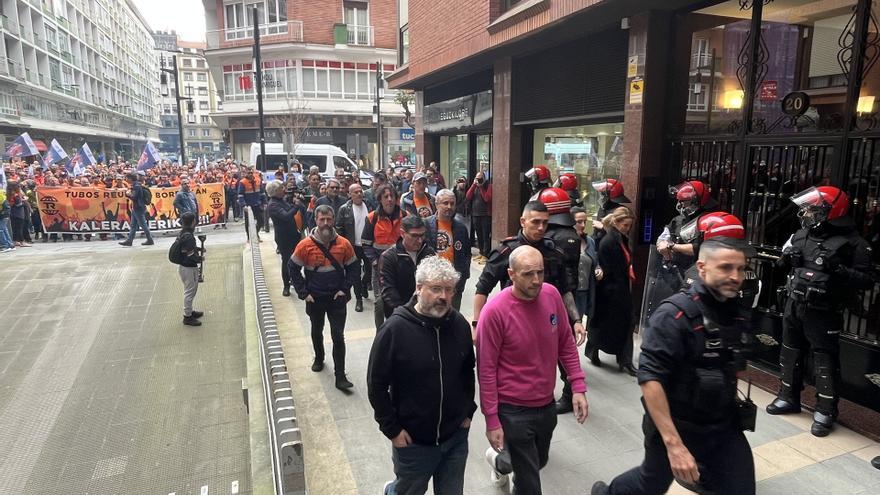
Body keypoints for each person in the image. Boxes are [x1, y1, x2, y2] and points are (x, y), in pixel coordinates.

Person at [592, 238, 756, 495]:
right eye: (725, 268)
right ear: (702, 268)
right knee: (651, 484)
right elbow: (650, 379)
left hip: (723, 426)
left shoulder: (733, 312)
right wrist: (674, 445)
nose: (735, 276)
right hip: (678, 425)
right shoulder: (674, 314)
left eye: (740, 269)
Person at [477, 245, 589, 493]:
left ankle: (500, 462)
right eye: (528, 274)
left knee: (539, 461)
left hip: (545, 405)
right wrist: (492, 419)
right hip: (512, 410)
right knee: (529, 484)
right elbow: (485, 370)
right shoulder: (494, 312)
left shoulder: (551, 296)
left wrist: (578, 385)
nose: (537, 280)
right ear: (511, 274)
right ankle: (510, 465)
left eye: (540, 272)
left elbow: (566, 344)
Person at [765, 186, 872, 437]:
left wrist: (840, 270)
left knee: (824, 360)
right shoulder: (801, 235)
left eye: (813, 209)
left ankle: (825, 409)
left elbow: (867, 281)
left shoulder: (855, 243)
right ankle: (788, 396)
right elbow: (779, 265)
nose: (807, 213)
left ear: (831, 211)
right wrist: (786, 259)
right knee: (789, 352)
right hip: (794, 303)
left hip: (824, 310)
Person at [367, 256, 475, 495]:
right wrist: (392, 430)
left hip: (455, 437)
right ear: (418, 288)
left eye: (449, 290)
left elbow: (468, 370)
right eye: (436, 289)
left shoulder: (458, 325)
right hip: (414, 442)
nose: (444, 297)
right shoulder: (394, 329)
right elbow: (376, 385)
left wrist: (468, 412)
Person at [473, 201, 585, 349]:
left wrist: (576, 320)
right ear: (523, 222)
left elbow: (564, 289)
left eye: (545, 223)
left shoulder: (555, 252)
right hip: (513, 323)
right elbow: (483, 288)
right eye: (536, 222)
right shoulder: (506, 252)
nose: (541, 228)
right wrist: (476, 324)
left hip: (546, 322)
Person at [288, 205, 359, 390]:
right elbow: (293, 268)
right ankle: (319, 358)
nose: (326, 223)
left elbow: (353, 268)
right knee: (316, 330)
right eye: (322, 219)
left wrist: (344, 289)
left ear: (333, 219)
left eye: (329, 219)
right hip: (315, 299)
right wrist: (304, 293)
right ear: (316, 221)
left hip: (337, 298)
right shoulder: (305, 245)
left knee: (338, 336)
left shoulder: (344, 244)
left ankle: (340, 376)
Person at [585, 206, 637, 375]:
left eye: (629, 225)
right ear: (616, 222)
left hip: (618, 289)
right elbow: (610, 268)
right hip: (611, 291)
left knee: (623, 323)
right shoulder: (610, 241)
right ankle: (618, 357)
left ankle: (623, 358)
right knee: (607, 324)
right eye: (625, 225)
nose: (627, 228)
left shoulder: (619, 239)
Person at [362, 184, 405, 329]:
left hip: (400, 267)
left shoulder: (405, 216)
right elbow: (366, 244)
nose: (390, 199)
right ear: (380, 199)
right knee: (380, 302)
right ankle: (380, 333)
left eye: (392, 196)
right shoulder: (372, 218)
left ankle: (397, 329)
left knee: (399, 300)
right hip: (379, 268)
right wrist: (375, 261)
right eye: (386, 196)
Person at [379, 215, 436, 318]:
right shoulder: (389, 257)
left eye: (422, 235)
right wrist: (406, 313)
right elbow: (388, 292)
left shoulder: (429, 253)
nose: (419, 240)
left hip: (426, 313)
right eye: (414, 236)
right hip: (400, 315)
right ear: (402, 234)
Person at [424, 189, 471, 311]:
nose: (449, 207)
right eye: (445, 203)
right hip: (432, 279)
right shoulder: (426, 225)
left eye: (452, 203)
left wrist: (463, 275)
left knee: (453, 315)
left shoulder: (461, 228)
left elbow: (467, 253)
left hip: (454, 280)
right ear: (436, 204)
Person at [336, 182, 373, 312]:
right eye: (355, 192)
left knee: (370, 271)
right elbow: (339, 228)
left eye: (360, 191)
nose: (359, 194)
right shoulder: (344, 209)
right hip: (353, 247)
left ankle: (364, 284)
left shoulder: (369, 205)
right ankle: (359, 299)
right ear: (350, 194)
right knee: (355, 274)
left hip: (368, 245)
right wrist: (343, 245)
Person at [266, 180, 306, 297]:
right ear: (275, 191)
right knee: (287, 261)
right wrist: (296, 206)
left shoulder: (281, 201)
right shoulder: (273, 204)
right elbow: (286, 216)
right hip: (284, 238)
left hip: (293, 234)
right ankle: (286, 285)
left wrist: (296, 203)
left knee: (296, 260)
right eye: (281, 188)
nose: (284, 190)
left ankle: (295, 280)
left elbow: (291, 210)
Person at [173, 212, 206, 327]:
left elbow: (185, 249)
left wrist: (198, 249)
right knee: (190, 292)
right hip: (188, 267)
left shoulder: (183, 233)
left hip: (184, 266)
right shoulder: (189, 237)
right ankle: (187, 317)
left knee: (190, 290)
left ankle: (190, 311)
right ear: (193, 222)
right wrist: (200, 258)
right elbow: (190, 255)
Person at [572, 206, 601, 328]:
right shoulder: (564, 241)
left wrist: (598, 268)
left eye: (585, 221)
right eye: (579, 222)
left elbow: (594, 261)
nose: (583, 225)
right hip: (569, 293)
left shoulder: (590, 241)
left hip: (584, 292)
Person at [119, 172, 155, 247]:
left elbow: (135, 197)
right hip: (136, 207)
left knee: (143, 225)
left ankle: (150, 239)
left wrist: (128, 194)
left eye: (126, 178)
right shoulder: (136, 185)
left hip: (138, 207)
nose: (125, 179)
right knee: (133, 225)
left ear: (130, 178)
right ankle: (129, 240)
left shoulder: (136, 186)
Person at [466, 171, 492, 263]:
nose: (479, 180)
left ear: (484, 178)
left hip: (485, 215)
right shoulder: (475, 186)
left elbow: (487, 198)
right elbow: (468, 196)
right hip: (475, 214)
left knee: (485, 235)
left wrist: (481, 186)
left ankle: (486, 254)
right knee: (479, 235)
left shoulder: (488, 186)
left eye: (480, 178)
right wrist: (474, 185)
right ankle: (481, 252)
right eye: (477, 178)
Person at [237, 167, 266, 242]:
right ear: (245, 173)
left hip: (257, 204)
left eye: (251, 173)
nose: (250, 174)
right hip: (248, 206)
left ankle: (255, 234)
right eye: (248, 173)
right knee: (248, 222)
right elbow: (240, 195)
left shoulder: (258, 180)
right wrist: (243, 205)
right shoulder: (242, 182)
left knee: (261, 220)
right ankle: (249, 238)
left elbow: (262, 193)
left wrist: (264, 203)